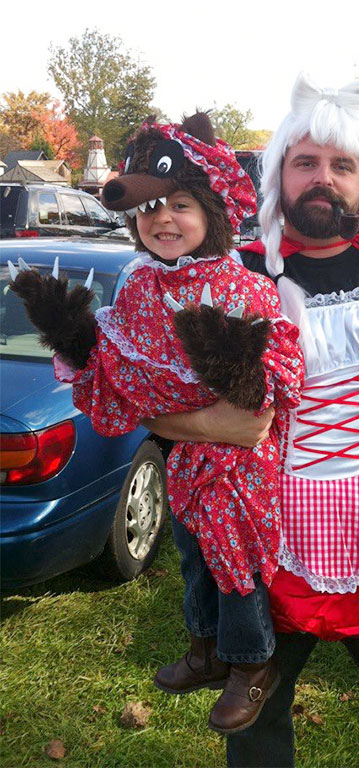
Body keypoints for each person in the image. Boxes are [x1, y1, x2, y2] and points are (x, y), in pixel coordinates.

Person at [148, 73, 359, 767]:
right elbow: (150, 408)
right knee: (255, 736)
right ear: (279, 174)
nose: (322, 178)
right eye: (305, 162)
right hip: (260, 538)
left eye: (341, 164)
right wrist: (219, 427)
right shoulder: (228, 273)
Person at [9, 111, 304, 735]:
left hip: (238, 466)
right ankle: (203, 648)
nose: (162, 220)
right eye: (148, 211)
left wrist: (219, 383)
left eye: (179, 206)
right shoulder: (141, 282)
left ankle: (253, 663)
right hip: (182, 456)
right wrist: (85, 346)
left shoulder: (242, 285)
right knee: (192, 551)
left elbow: (268, 382)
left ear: (214, 213)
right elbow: (120, 358)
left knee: (236, 561)